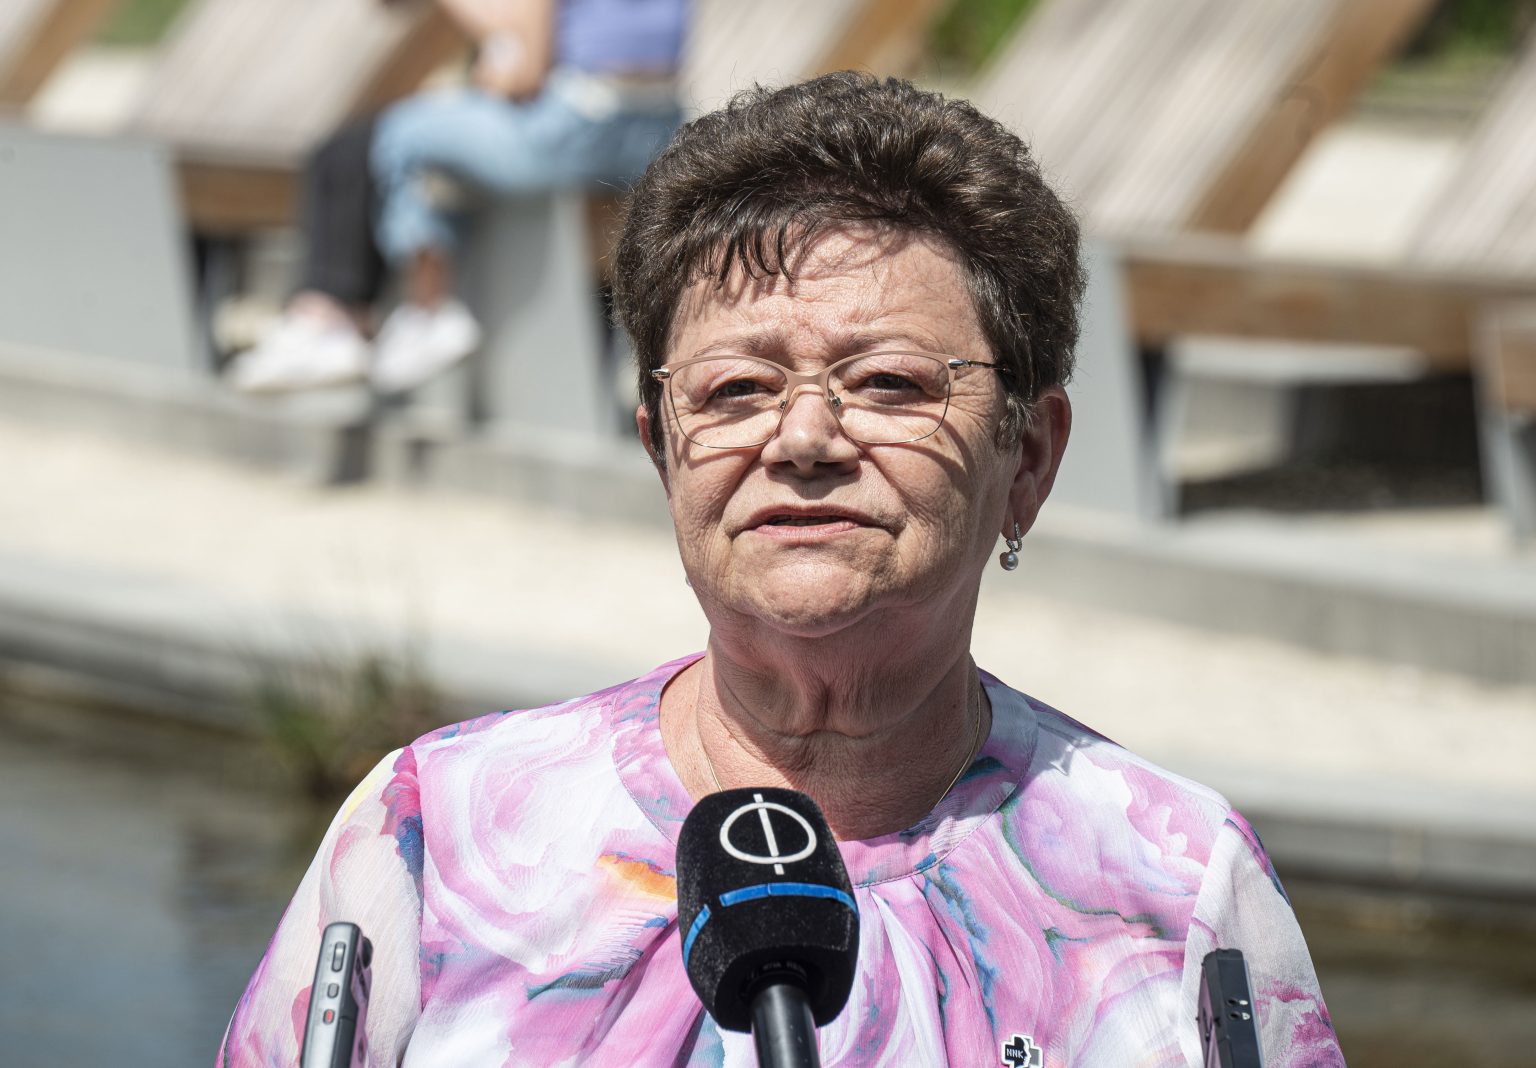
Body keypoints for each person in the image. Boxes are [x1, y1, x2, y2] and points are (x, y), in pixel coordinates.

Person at [218, 73, 1344, 1065]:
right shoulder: (435, 837)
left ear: (1031, 457)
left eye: (891, 382)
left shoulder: (1175, 885)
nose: (804, 439)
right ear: (663, 450)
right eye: (736, 390)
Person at [229, 0, 687, 395]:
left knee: (399, 135)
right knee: (448, 143)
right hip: (657, 125)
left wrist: (489, 71)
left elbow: (523, 72)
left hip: (579, 126)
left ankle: (428, 312)